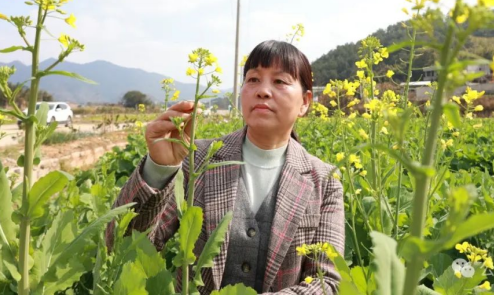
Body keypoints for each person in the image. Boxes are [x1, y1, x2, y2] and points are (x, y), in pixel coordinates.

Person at [106, 40, 345, 294]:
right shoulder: (198, 161)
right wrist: (159, 169)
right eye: (253, 79)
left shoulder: (325, 180)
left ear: (305, 102)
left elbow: (326, 283)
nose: (262, 91)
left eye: (280, 82)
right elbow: (123, 249)